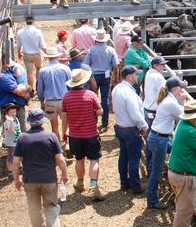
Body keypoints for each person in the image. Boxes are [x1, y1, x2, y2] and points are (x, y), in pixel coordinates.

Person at [12, 109, 68, 227]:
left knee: (34, 208)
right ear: (42, 121)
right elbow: (60, 159)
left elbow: (15, 162)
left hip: (30, 180)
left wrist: (16, 179)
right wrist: (65, 174)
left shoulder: (22, 138)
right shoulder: (51, 136)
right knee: (51, 207)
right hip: (49, 179)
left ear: (30, 122)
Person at [62, 68, 105, 201]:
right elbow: (100, 112)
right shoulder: (91, 95)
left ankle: (80, 182)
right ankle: (94, 186)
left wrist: (64, 133)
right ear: (83, 82)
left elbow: (64, 117)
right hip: (90, 133)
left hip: (74, 135)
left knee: (79, 159)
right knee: (93, 160)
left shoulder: (66, 97)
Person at [147, 77, 188, 209]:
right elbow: (184, 116)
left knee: (175, 150)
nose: (182, 89)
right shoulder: (171, 102)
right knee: (156, 171)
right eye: (180, 87)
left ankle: (169, 174)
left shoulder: (167, 99)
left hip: (156, 136)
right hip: (160, 139)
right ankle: (152, 200)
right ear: (175, 89)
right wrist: (182, 101)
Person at [112, 66, 149, 195]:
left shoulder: (117, 88)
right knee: (134, 158)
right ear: (129, 76)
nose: (137, 77)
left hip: (120, 127)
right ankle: (135, 186)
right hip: (130, 129)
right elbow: (135, 114)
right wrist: (143, 126)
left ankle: (124, 182)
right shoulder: (129, 93)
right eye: (135, 75)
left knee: (124, 156)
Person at [84, 29, 119, 129]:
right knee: (105, 99)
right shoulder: (110, 50)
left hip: (94, 76)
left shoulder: (91, 49)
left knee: (92, 98)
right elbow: (115, 65)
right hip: (106, 75)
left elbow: (86, 64)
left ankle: (93, 120)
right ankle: (105, 121)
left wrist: (90, 76)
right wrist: (115, 78)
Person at [37, 47, 72, 142]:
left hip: (50, 101)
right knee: (67, 123)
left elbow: (40, 88)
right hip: (64, 100)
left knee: (54, 126)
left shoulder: (43, 71)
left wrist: (41, 100)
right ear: (57, 56)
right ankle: (67, 143)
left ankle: (58, 148)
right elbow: (71, 84)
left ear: (48, 58)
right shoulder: (65, 68)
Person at [143, 56, 168, 170]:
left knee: (150, 139)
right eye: (161, 65)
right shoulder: (158, 77)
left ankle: (150, 165)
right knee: (157, 140)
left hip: (147, 109)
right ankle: (155, 167)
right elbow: (164, 92)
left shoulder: (149, 73)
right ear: (155, 66)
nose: (164, 66)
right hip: (154, 111)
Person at [17, 17, 46, 89]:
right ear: (33, 21)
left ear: (25, 21)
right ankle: (38, 87)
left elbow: (18, 45)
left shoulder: (20, 31)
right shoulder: (37, 31)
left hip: (26, 54)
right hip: (36, 54)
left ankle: (31, 89)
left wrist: (19, 53)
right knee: (38, 69)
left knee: (29, 72)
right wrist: (47, 53)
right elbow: (42, 45)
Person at [3, 103, 21, 179]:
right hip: (11, 142)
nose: (14, 114)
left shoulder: (16, 119)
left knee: (18, 154)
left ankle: (20, 167)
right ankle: (10, 170)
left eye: (15, 112)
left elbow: (18, 129)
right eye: (11, 112)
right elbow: (10, 131)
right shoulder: (7, 122)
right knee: (11, 156)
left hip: (17, 140)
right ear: (7, 113)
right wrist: (10, 122)